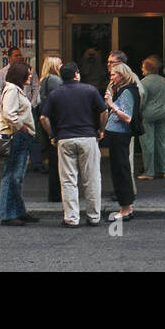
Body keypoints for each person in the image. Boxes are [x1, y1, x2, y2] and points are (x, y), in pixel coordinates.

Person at [47, 62, 108, 227]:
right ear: (76, 74)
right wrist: (101, 130)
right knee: (92, 178)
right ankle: (94, 216)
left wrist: (52, 135)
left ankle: (71, 218)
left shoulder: (55, 94)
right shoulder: (90, 90)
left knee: (68, 180)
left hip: (65, 138)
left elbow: (43, 117)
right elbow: (104, 111)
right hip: (88, 137)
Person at [0, 60, 38, 226]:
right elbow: (9, 113)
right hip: (16, 136)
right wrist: (23, 128)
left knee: (16, 176)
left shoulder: (15, 89)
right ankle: (7, 214)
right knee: (13, 175)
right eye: (27, 73)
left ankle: (18, 211)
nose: (30, 76)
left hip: (18, 136)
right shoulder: (13, 90)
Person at [103, 60, 140, 222]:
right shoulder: (121, 90)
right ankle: (125, 207)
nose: (111, 77)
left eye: (113, 74)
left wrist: (111, 105)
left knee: (121, 170)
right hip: (116, 135)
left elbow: (127, 117)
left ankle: (125, 208)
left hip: (120, 135)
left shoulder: (127, 92)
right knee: (118, 170)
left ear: (122, 75)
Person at [138, 56, 165, 180]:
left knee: (148, 143)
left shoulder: (143, 82)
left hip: (148, 114)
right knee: (162, 141)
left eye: (143, 67)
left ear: (148, 68)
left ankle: (149, 172)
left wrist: (138, 112)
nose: (141, 69)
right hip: (163, 112)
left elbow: (141, 99)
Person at [37, 55, 65, 198]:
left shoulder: (44, 80)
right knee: (57, 159)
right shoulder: (55, 80)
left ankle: (54, 192)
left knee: (53, 157)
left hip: (48, 121)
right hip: (56, 122)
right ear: (54, 66)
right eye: (60, 63)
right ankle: (57, 193)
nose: (62, 65)